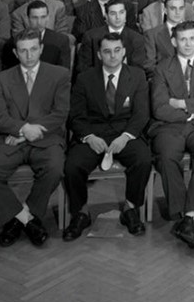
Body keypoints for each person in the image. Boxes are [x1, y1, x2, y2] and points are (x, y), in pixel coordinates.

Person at [0, 29, 71, 248]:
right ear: (15, 52)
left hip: (45, 139)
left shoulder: (59, 74)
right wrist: (23, 129)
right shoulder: (0, 79)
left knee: (54, 168)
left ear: (41, 48)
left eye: (33, 49)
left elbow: (60, 114)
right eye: (23, 51)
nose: (29, 55)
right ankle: (26, 219)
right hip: (10, 139)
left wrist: (29, 133)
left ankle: (19, 219)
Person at [61, 33, 153, 241]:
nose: (113, 56)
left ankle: (130, 209)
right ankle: (81, 213)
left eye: (117, 50)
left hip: (125, 132)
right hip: (94, 133)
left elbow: (141, 114)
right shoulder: (85, 78)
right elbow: (75, 116)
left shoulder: (137, 75)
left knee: (143, 159)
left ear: (124, 52)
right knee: (72, 166)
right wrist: (89, 136)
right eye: (107, 51)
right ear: (99, 55)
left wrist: (126, 136)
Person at [148, 21, 194, 250]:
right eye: (182, 39)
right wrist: (190, 112)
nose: (188, 43)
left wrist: (181, 103)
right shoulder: (162, 67)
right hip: (170, 125)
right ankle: (183, 214)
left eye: (192, 38)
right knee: (167, 155)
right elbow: (160, 107)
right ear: (173, 42)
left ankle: (188, 216)